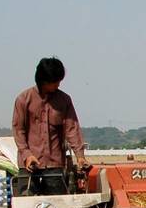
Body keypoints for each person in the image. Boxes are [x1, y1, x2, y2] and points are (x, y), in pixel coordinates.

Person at [12, 57, 89, 192]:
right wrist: (27, 155)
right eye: (55, 82)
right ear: (44, 81)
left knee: (58, 207)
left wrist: (80, 156)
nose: (58, 85)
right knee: (27, 206)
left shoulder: (64, 100)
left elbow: (72, 129)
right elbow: (19, 131)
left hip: (55, 166)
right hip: (29, 165)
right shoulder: (23, 100)